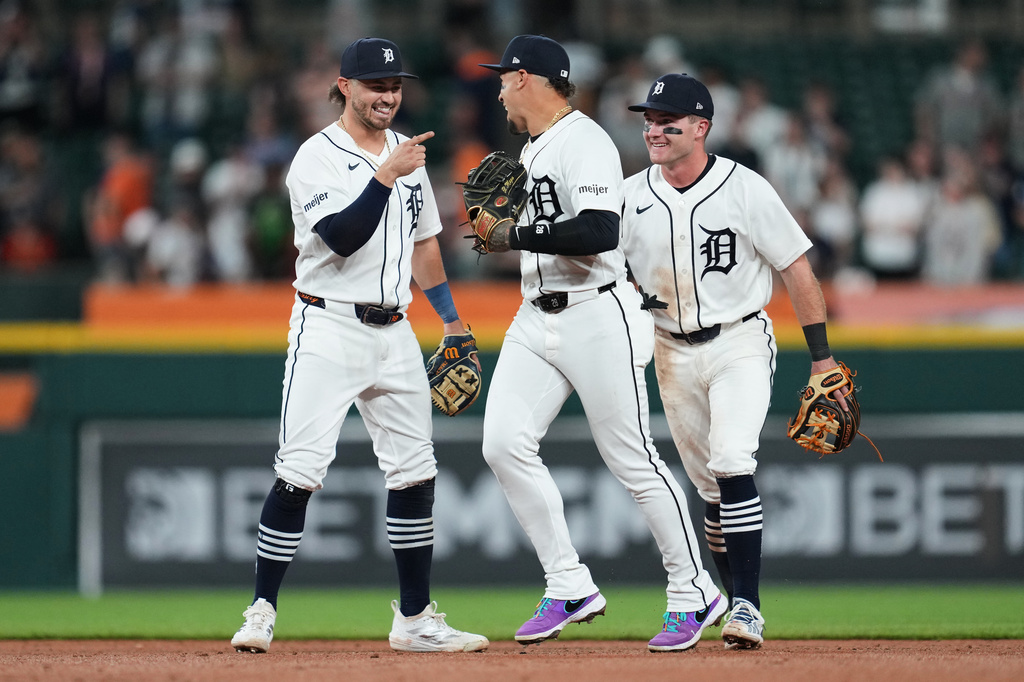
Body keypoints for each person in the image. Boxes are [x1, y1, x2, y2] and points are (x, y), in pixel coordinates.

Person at [230, 37, 488, 655]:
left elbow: (426, 245)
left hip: (395, 329)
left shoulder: (408, 155)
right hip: (328, 325)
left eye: (395, 86)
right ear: (345, 87)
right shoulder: (315, 157)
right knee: (300, 469)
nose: (388, 96)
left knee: (415, 474)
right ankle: (262, 608)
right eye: (376, 86)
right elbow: (342, 238)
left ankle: (416, 619)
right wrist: (383, 176)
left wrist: (452, 322)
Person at [474, 35, 724, 652]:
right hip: (535, 315)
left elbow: (597, 230)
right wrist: (517, 233)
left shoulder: (582, 140)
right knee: (503, 444)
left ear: (530, 79)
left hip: (594, 312)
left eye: (506, 77)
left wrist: (516, 234)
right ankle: (568, 583)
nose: (500, 87)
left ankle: (695, 591)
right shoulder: (532, 148)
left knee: (632, 458)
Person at [619, 73, 851, 650]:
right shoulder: (628, 196)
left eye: (667, 119)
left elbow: (796, 269)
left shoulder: (744, 188)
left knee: (731, 459)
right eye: (648, 119)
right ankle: (729, 606)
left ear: (701, 127)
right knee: (711, 492)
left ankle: (747, 605)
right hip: (669, 348)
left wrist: (822, 359)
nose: (654, 129)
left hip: (738, 340)